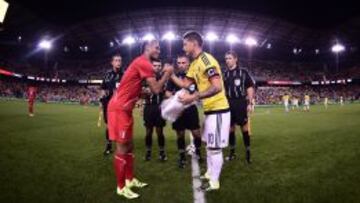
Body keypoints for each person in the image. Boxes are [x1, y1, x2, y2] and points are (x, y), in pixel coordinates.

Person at [107, 39, 173, 199]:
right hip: (119, 109)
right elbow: (156, 88)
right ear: (147, 48)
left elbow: (136, 87)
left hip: (125, 109)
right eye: (156, 48)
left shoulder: (141, 62)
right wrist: (167, 73)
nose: (159, 50)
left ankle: (129, 180)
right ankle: (121, 187)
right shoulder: (144, 63)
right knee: (122, 148)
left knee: (129, 146)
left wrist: (142, 94)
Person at [172, 31, 230, 191]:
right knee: (208, 145)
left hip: (218, 109)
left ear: (194, 43)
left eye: (185, 44)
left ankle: (214, 182)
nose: (183, 47)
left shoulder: (206, 60)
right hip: (209, 110)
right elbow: (185, 84)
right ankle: (210, 173)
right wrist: (169, 75)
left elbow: (217, 86)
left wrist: (194, 96)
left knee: (215, 147)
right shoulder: (194, 63)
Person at [166, 54, 202, 168]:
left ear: (188, 63)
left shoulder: (194, 76)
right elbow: (167, 92)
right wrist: (174, 98)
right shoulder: (174, 77)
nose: (181, 65)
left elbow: (198, 91)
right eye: (179, 63)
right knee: (180, 134)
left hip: (190, 108)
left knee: (196, 133)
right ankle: (181, 157)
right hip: (178, 109)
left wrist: (191, 96)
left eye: (183, 63)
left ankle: (198, 153)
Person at [223, 51, 255, 163]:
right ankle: (232, 153)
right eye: (226, 58)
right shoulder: (225, 74)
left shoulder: (243, 72)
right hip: (229, 103)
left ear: (236, 59)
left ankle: (248, 153)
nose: (227, 60)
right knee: (230, 129)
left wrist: (250, 103)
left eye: (230, 58)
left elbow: (250, 87)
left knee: (244, 128)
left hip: (241, 102)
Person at [143, 59, 167, 161]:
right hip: (149, 108)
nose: (157, 67)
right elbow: (143, 92)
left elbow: (164, 92)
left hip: (160, 107)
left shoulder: (163, 78)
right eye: (155, 65)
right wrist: (144, 92)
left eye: (159, 65)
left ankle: (162, 152)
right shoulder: (145, 78)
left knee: (160, 131)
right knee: (148, 132)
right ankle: (148, 152)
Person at [99, 54, 124, 155]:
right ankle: (109, 145)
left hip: (119, 105)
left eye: (120, 60)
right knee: (109, 126)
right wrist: (101, 100)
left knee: (119, 126)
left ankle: (120, 146)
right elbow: (102, 88)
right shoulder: (107, 75)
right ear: (112, 62)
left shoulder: (124, 75)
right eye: (116, 60)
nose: (118, 62)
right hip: (107, 104)